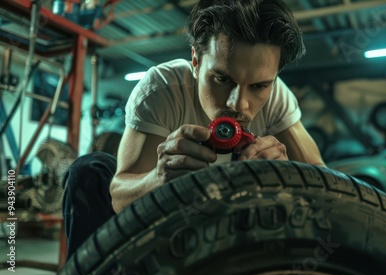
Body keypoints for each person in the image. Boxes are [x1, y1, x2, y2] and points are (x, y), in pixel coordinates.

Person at [62, 0, 325, 260]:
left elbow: (328, 192)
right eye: (222, 79)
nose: (238, 104)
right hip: (161, 228)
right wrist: (156, 179)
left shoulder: (277, 97)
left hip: (223, 234)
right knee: (89, 171)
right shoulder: (161, 89)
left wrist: (288, 178)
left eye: (258, 87)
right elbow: (119, 198)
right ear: (196, 61)